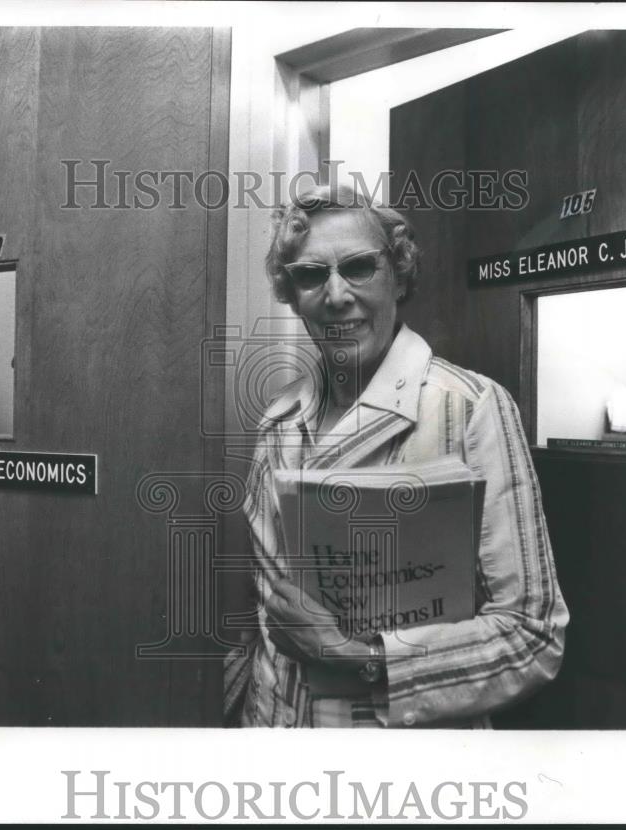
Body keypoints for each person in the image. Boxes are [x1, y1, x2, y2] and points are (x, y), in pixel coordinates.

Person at [224, 184, 569, 728]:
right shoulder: (278, 419)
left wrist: (360, 659)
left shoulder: (470, 407)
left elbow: (532, 635)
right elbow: (267, 612)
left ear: (399, 273)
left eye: (358, 267)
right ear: (291, 294)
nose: (336, 296)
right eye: (311, 275)